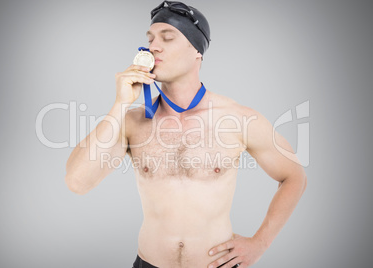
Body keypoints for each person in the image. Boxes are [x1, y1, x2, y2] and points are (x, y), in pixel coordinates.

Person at [64, 1, 307, 268]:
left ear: (196, 53)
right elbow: (77, 182)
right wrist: (120, 104)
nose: (153, 46)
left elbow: (294, 176)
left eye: (167, 38)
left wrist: (260, 243)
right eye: (150, 39)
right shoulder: (131, 121)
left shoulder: (239, 118)